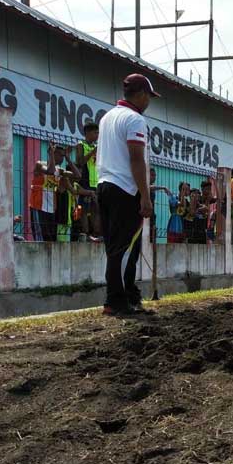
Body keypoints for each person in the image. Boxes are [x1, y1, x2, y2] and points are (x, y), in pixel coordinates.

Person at [96, 73, 157, 315]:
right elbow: (136, 159)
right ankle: (116, 301)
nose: (149, 102)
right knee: (122, 249)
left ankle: (129, 295)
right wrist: (145, 195)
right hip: (125, 189)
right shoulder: (135, 120)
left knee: (122, 248)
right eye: (149, 96)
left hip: (105, 185)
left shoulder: (107, 117)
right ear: (141, 94)